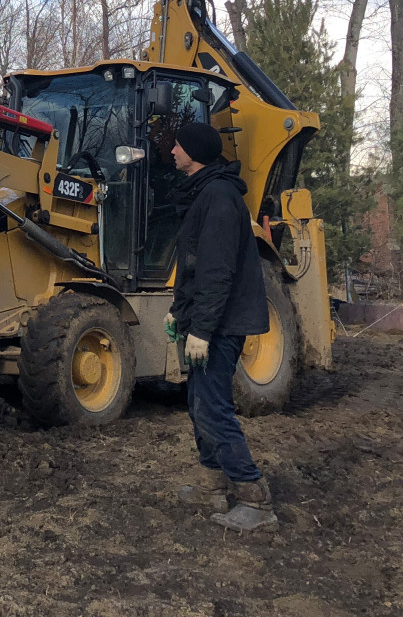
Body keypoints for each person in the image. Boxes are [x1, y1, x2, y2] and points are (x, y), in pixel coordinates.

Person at [164, 121, 277, 532]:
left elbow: (217, 272)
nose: (172, 150)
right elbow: (193, 266)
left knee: (213, 409)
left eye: (178, 144)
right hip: (207, 319)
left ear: (194, 152)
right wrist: (180, 311)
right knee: (199, 406)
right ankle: (213, 484)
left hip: (223, 324)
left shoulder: (219, 197)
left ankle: (254, 499)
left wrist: (203, 330)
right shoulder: (203, 194)